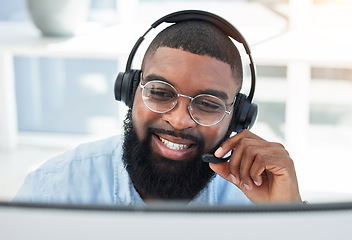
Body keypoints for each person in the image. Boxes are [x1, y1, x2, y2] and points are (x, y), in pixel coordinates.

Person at [14, 10, 302, 206]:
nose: (178, 121)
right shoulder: (53, 190)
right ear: (130, 90)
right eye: (161, 93)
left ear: (239, 118)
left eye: (207, 104)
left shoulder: (260, 201)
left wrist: (290, 220)